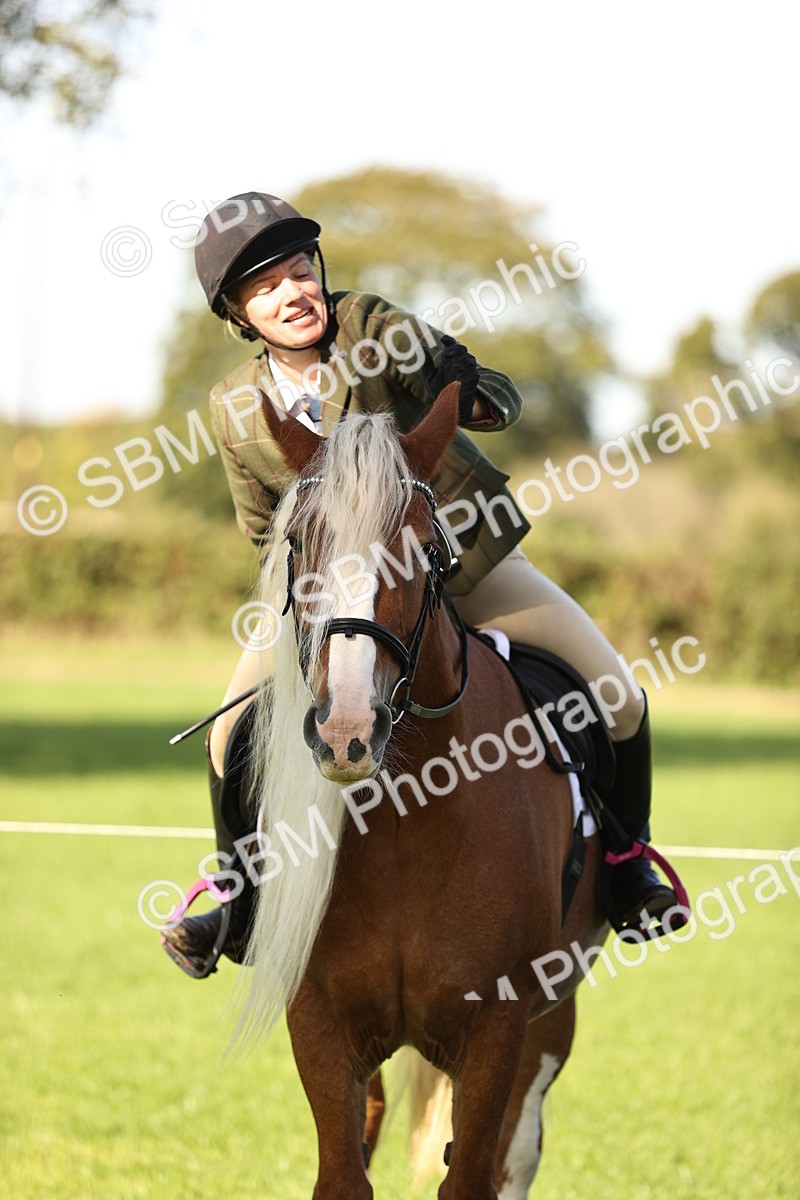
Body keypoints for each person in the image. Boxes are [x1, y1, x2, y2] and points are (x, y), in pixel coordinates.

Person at [161, 191, 682, 978]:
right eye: (264, 288)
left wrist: (457, 379)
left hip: (464, 562)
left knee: (619, 696)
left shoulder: (368, 325)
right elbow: (264, 531)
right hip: (333, 603)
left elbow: (489, 401)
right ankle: (240, 900)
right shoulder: (233, 408)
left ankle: (626, 865)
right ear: (238, 312)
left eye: (299, 273)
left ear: (320, 273)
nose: (292, 294)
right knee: (227, 735)